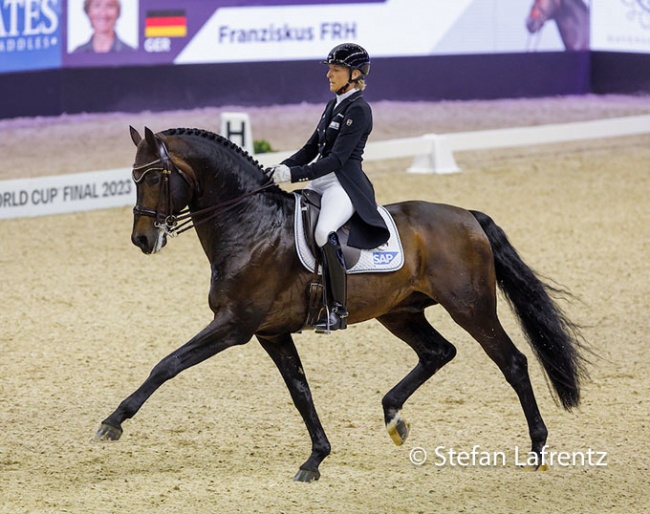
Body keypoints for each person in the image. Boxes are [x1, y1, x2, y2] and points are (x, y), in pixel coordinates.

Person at [268, 43, 390, 333]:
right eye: (330, 69)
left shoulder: (360, 110)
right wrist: (279, 169)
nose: (329, 75)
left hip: (344, 185)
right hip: (322, 180)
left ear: (355, 73)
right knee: (293, 224)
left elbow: (336, 160)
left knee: (323, 232)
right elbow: (311, 148)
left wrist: (294, 174)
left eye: (335, 70)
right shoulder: (332, 105)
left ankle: (337, 309)